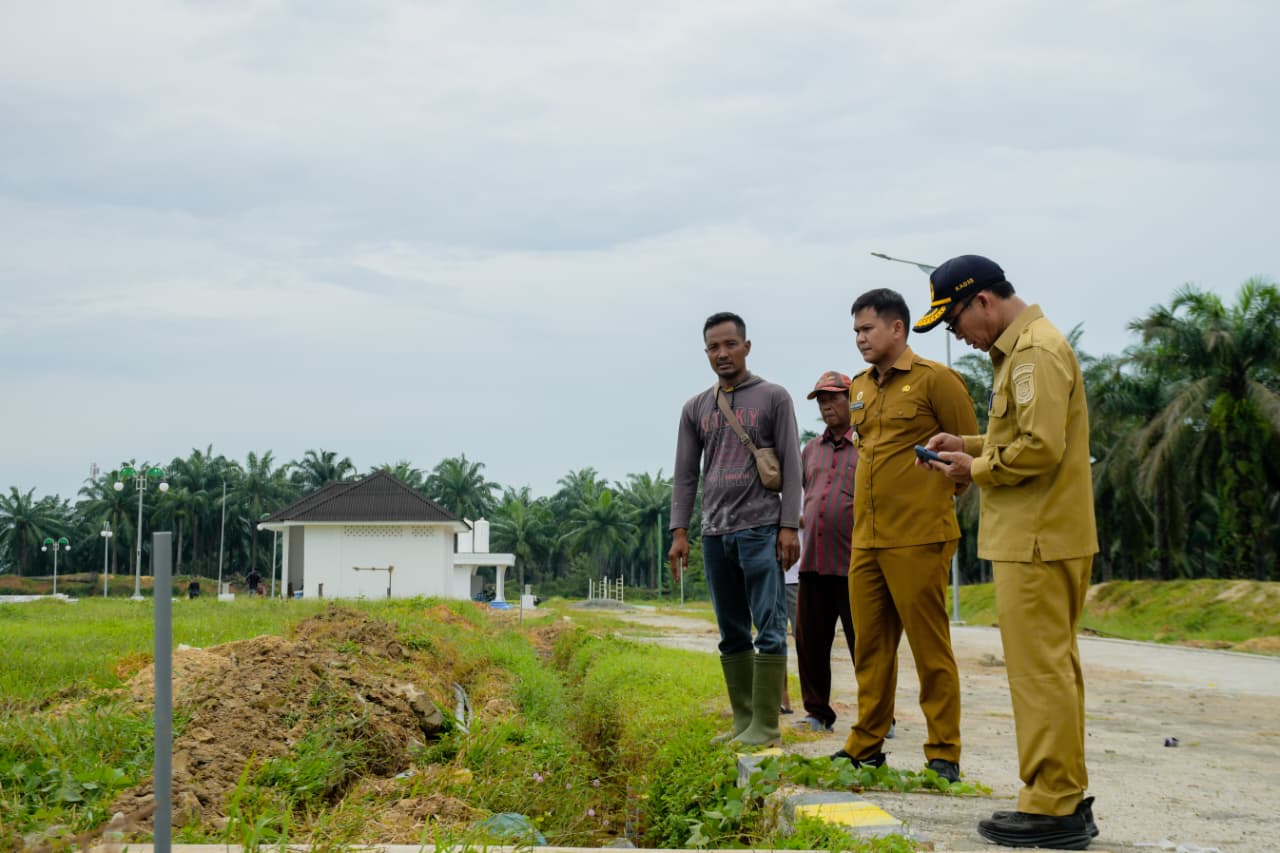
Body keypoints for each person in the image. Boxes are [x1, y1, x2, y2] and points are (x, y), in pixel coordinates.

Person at [917, 255, 1099, 849]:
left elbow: (1041, 448)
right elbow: (1022, 434)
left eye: (955, 323)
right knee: (1052, 671)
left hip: (1038, 539)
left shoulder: (1034, 353)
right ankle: (1061, 795)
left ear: (983, 303)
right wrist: (967, 445)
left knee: (1039, 673)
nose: (958, 337)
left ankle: (1052, 807)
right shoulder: (1025, 351)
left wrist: (977, 466)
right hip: (1041, 536)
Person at [834, 289, 978, 784]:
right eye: (855, 331)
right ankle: (866, 745)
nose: (859, 339)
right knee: (870, 647)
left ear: (897, 329)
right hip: (867, 539)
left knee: (928, 647)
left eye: (867, 329)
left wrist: (933, 504)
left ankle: (944, 753)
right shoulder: (858, 388)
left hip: (919, 537)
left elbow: (968, 456)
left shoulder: (937, 381)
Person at [669, 311, 803, 747]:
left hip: (761, 528)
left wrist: (788, 527)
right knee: (730, 631)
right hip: (714, 533)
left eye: (730, 344)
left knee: (768, 625)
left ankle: (766, 726)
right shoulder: (695, 408)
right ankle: (743, 723)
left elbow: (793, 467)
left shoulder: (774, 397)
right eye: (713, 347)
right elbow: (686, 475)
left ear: (747, 346)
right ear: (706, 352)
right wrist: (679, 533)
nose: (722, 353)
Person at [791, 371, 860, 734]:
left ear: (853, 399)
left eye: (834, 397)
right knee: (810, 640)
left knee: (864, 643)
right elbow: (807, 497)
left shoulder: (868, 445)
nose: (827, 405)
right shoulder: (810, 451)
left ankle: (881, 715)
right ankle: (817, 712)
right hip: (814, 561)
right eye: (821, 399)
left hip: (855, 563)